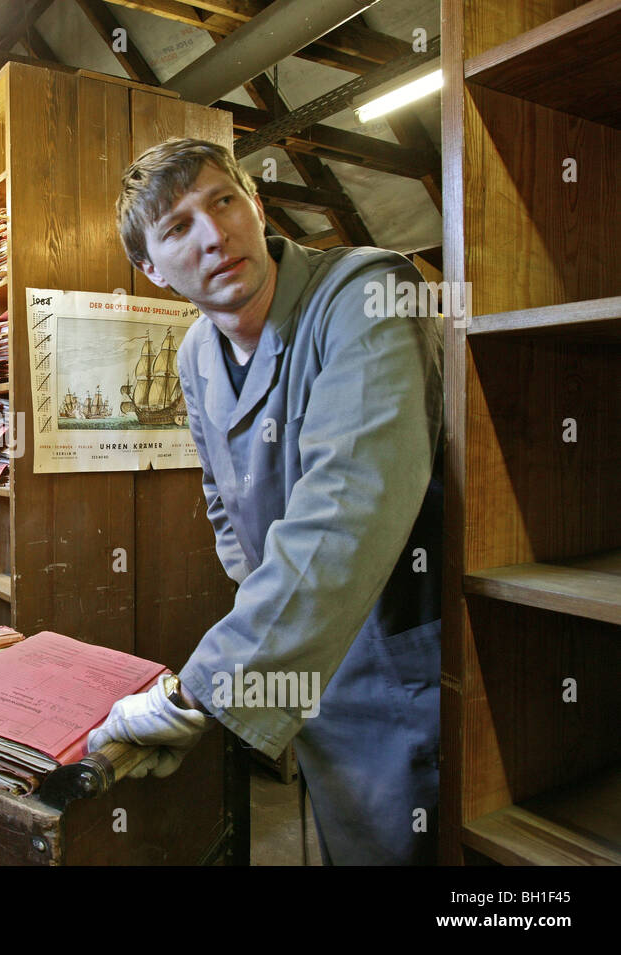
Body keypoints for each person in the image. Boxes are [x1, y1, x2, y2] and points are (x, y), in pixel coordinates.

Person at [87, 138, 443, 865]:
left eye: (223, 200)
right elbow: (225, 506)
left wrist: (202, 691)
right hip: (303, 668)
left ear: (255, 203)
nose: (214, 234)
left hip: (399, 668)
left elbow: (349, 510)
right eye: (179, 226)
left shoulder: (365, 294)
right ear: (152, 270)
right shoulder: (195, 354)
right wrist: (268, 652)